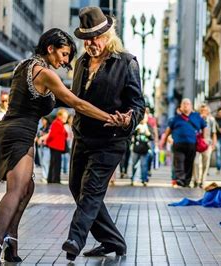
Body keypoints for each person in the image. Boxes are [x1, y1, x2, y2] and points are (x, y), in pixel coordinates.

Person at [0, 28, 120, 265]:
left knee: (27, 188)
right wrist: (109, 116)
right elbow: (76, 103)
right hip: (18, 133)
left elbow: (66, 97)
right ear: (50, 48)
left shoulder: (24, 65)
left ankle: (11, 243)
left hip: (9, 131)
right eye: (64, 54)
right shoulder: (45, 73)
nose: (65, 60)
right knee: (17, 189)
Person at [61, 7, 145, 261]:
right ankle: (113, 240)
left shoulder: (126, 62)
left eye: (96, 37)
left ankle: (75, 238)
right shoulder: (81, 63)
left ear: (108, 35)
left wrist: (128, 119)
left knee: (91, 191)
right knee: (76, 186)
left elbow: (138, 105)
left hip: (110, 141)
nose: (91, 43)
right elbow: (77, 101)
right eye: (86, 38)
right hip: (83, 137)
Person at [160, 99, 207, 187]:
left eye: (188, 104)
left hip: (192, 144)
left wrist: (203, 138)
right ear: (181, 107)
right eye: (184, 104)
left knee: (189, 163)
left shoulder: (196, 116)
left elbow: (204, 126)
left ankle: (187, 181)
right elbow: (168, 130)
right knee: (179, 162)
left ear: (191, 106)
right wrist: (163, 141)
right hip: (178, 144)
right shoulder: (175, 118)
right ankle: (180, 180)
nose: (186, 105)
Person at [192, 103, 217, 188]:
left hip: (207, 144)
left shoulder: (211, 120)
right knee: (195, 162)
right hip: (197, 143)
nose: (204, 112)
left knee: (205, 164)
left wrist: (214, 144)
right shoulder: (195, 119)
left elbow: (214, 133)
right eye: (202, 111)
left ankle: (203, 180)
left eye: (205, 111)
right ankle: (196, 180)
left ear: (208, 111)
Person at [46, 108, 69, 184]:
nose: (66, 118)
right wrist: (47, 142)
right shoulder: (57, 123)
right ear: (59, 116)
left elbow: (65, 135)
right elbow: (52, 135)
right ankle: (55, 179)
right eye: (64, 117)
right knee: (56, 164)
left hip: (57, 147)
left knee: (55, 163)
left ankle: (52, 179)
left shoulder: (59, 123)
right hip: (55, 146)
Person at [130, 113, 152, 186]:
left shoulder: (148, 127)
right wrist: (136, 131)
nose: (143, 119)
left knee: (144, 165)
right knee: (134, 164)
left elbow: (152, 138)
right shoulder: (136, 126)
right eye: (142, 117)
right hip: (136, 149)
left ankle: (144, 180)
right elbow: (131, 134)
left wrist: (148, 134)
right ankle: (133, 179)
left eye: (144, 117)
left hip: (145, 149)